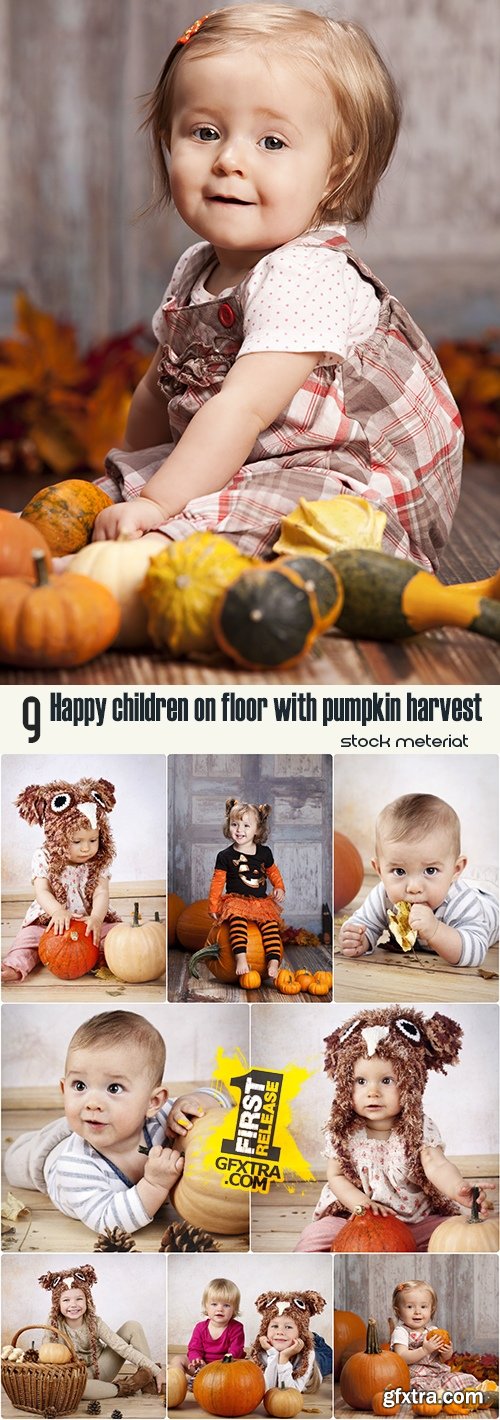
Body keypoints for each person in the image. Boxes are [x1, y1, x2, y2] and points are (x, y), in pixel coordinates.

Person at [91, 6, 463, 571]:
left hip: (350, 480)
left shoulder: (306, 274)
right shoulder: (198, 266)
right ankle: (101, 545)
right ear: (167, 138)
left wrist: (159, 503)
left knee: (273, 517)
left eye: (271, 142)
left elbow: (240, 409)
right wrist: (133, 471)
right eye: (206, 132)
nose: (230, 161)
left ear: (337, 170)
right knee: (112, 496)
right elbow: (155, 389)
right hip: (251, 458)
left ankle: (141, 568)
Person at [4, 1010, 229, 1235]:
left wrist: (193, 1101)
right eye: (80, 1086)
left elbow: (223, 1102)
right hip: (47, 1158)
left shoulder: (162, 1120)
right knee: (14, 1161)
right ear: (64, 1090)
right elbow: (107, 1221)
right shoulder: (73, 1167)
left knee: (74, 1123)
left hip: (88, 1126)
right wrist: (154, 1185)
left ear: (153, 1102)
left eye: (114, 1088)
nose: (92, 1103)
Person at [294, 1006, 494, 1252]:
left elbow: (436, 1164)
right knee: (314, 1237)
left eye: (387, 1081)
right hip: (354, 1218)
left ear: (410, 1084)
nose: (373, 1091)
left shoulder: (418, 1128)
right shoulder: (343, 1131)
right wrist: (361, 1204)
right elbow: (336, 1176)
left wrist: (457, 1188)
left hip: (412, 1219)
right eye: (360, 1081)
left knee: (449, 1234)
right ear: (346, 1085)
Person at [338, 794, 499, 967]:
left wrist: (435, 930)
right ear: (379, 870)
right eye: (399, 871)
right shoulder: (383, 895)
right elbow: (366, 922)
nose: (413, 888)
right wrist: (359, 938)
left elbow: (476, 951)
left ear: (455, 870)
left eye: (430, 870)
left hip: (490, 894)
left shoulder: (461, 901)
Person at [1, 777, 121, 983]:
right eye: (77, 841)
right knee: (28, 939)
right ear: (58, 836)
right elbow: (42, 891)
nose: (86, 848)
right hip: (49, 921)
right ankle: (15, 965)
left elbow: (101, 892)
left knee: (117, 934)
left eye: (93, 840)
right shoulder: (44, 857)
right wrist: (57, 911)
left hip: (87, 920)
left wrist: (97, 919)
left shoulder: (98, 861)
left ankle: (105, 957)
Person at [38, 1264, 164, 1401]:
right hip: (75, 1376)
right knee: (76, 1388)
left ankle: (150, 1378)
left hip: (101, 1368)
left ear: (87, 1300)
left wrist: (156, 1369)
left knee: (132, 1326)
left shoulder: (94, 1322)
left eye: (79, 1299)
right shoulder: (53, 1323)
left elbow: (121, 1347)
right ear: (58, 1304)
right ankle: (126, 1387)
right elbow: (46, 1353)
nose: (73, 1304)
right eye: (66, 1300)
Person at [208, 798, 284, 979]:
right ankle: (240, 958)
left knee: (271, 928)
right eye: (235, 824)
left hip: (260, 902)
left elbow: (274, 872)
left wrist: (279, 887)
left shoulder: (264, 853)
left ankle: (274, 960)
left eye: (246, 826)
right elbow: (217, 882)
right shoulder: (225, 856)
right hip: (237, 901)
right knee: (237, 924)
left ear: (257, 829)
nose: (239, 830)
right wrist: (213, 905)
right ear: (229, 826)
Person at [390, 1280, 480, 1401]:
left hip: (438, 1375)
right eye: (410, 1307)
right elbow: (401, 1357)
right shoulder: (401, 1332)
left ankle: (445, 1395)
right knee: (419, 1388)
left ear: (431, 1309)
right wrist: (424, 1350)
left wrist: (447, 1351)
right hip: (415, 1377)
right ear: (398, 1311)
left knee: (460, 1378)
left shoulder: (433, 1330)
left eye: (423, 1306)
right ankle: (439, 1397)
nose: (417, 1311)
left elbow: (443, 1359)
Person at [170, 1277, 245, 1380]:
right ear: (206, 1306)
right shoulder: (200, 1328)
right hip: (203, 1367)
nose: (220, 1309)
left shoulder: (236, 1328)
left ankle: (210, 1382)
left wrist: (224, 1364)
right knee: (177, 1360)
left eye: (226, 1305)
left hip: (226, 1368)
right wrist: (197, 1359)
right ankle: (177, 1383)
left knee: (247, 1366)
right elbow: (194, 1348)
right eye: (214, 1304)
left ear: (234, 1309)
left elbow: (235, 1350)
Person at [251, 1290, 325, 1392]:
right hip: (287, 1343)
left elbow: (290, 1392)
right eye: (275, 1326)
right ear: (265, 1330)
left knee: (327, 1359)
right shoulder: (261, 1352)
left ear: (300, 1333)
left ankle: (315, 1338)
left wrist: (284, 1358)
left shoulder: (307, 1355)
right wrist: (273, 1353)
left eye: (288, 1327)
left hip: (318, 1353)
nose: (280, 1332)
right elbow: (267, 1389)